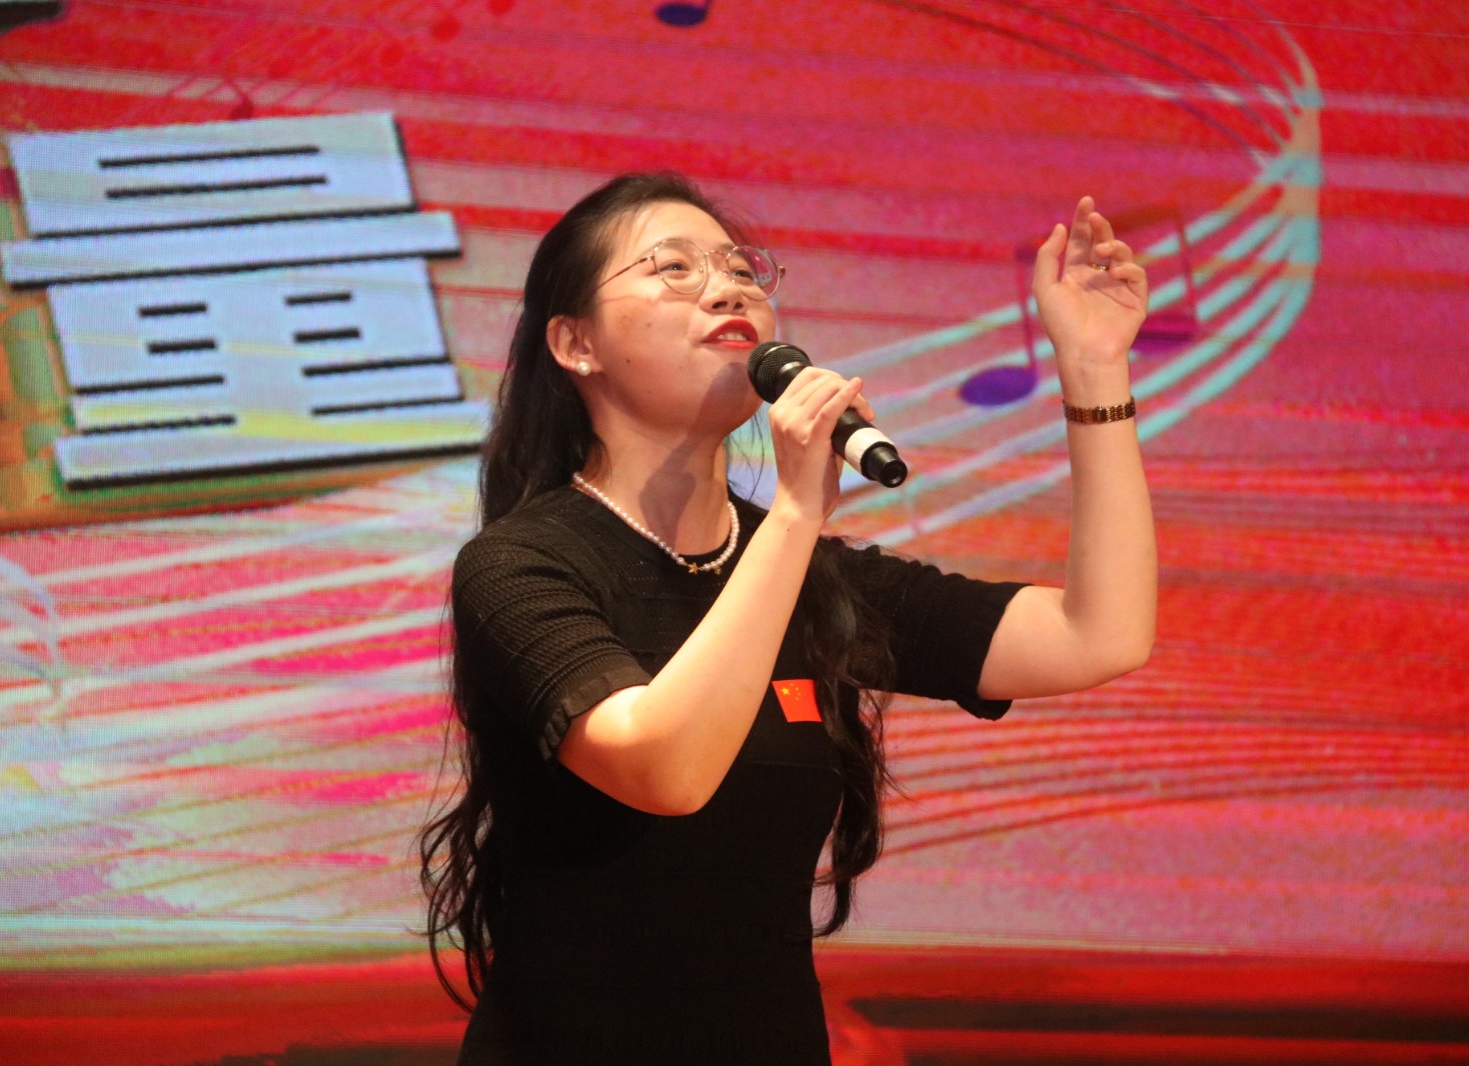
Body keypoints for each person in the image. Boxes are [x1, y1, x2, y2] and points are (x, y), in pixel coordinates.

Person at [419, 171, 1155, 1065]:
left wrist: (1095, 369)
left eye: (740, 271)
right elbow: (665, 769)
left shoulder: (808, 573)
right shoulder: (519, 566)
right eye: (673, 269)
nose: (727, 289)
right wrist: (799, 511)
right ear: (576, 344)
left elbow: (1099, 634)